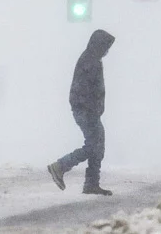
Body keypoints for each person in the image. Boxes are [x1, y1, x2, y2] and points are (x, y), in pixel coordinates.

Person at [47, 29, 115, 195]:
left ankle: (91, 184)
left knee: (97, 145)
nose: (107, 51)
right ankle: (60, 166)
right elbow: (85, 89)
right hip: (86, 110)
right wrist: (91, 109)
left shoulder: (93, 59)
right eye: (105, 47)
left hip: (89, 110)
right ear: (98, 45)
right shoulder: (89, 61)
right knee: (93, 145)